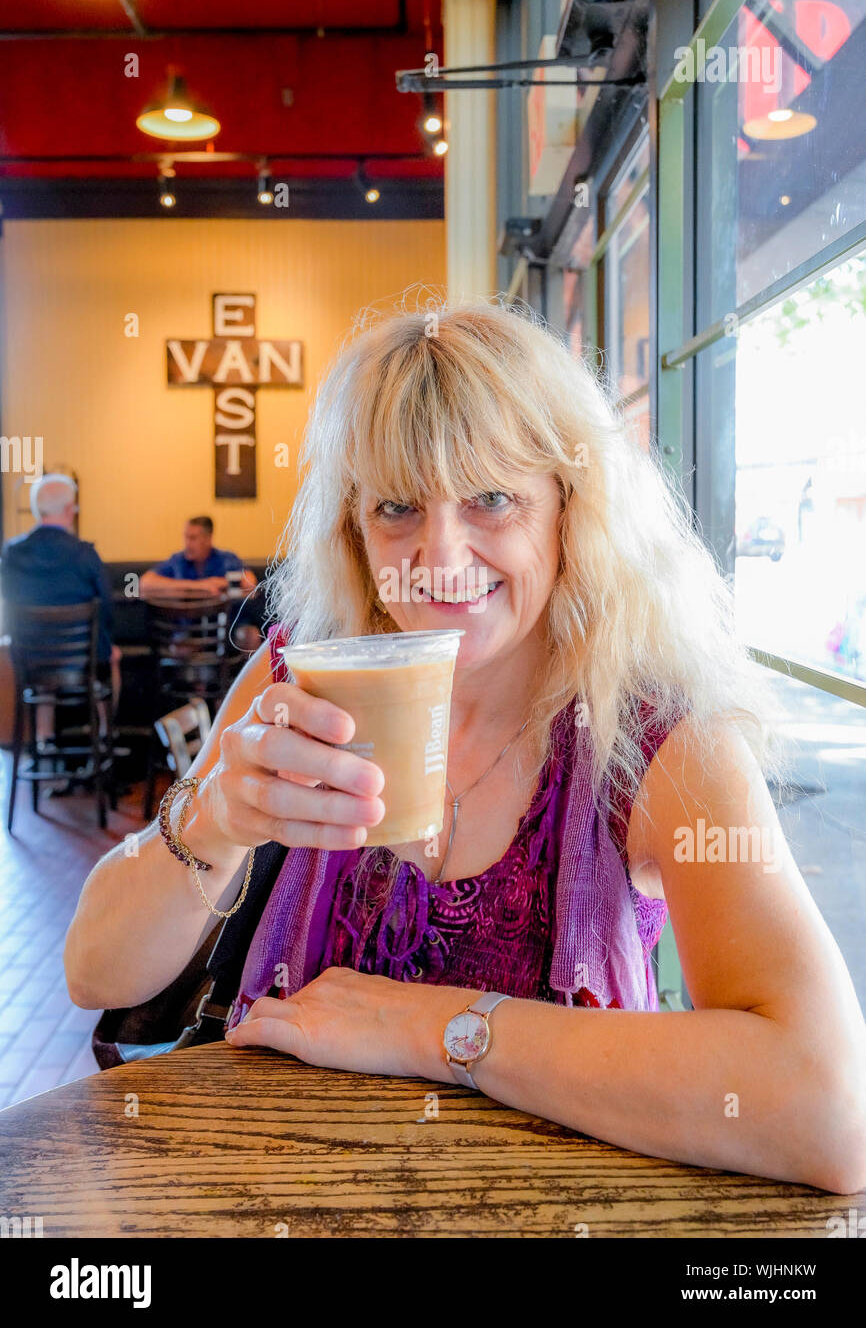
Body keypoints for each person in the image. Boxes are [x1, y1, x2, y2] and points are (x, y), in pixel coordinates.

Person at [65, 298, 866, 1194]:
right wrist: (210, 823)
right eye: (398, 507)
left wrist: (427, 1028)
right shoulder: (300, 680)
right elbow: (95, 970)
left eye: (492, 499)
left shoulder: (651, 733)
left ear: (573, 507)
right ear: (355, 533)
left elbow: (829, 1106)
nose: (439, 557)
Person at [1, 473, 122, 751]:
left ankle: (45, 741)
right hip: (82, 661)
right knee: (111, 657)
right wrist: (107, 643)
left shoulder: (11, 553)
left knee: (43, 673)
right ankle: (105, 738)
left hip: (30, 659)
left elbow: (7, 604)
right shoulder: (84, 553)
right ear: (69, 510)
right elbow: (106, 606)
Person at [139, 517, 257, 599]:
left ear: (208, 539)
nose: (187, 544)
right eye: (186, 537)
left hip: (224, 625)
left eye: (193, 538)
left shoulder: (226, 559)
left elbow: (250, 583)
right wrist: (200, 586)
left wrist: (218, 583)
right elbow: (145, 583)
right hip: (184, 626)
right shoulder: (178, 561)